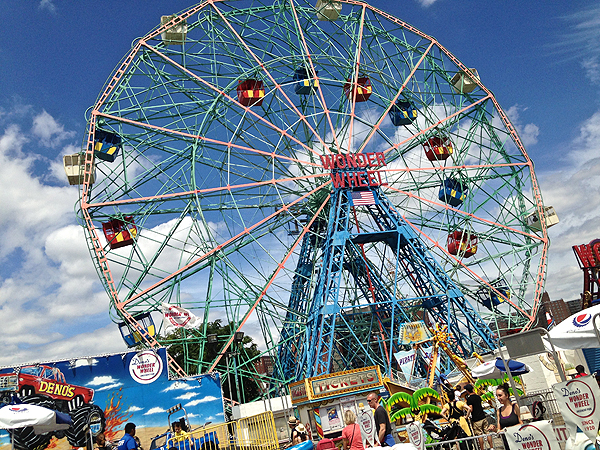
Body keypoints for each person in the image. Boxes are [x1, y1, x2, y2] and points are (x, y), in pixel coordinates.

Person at [490, 384, 522, 450]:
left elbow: (521, 423)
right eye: (497, 396)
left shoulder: (515, 407)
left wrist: (507, 429)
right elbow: (499, 430)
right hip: (507, 443)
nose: (498, 398)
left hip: (518, 441)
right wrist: (494, 429)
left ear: (507, 395)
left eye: (500, 395)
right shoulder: (499, 411)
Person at [464, 384, 493, 450]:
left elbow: (471, 409)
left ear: (467, 391)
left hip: (476, 419)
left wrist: (467, 414)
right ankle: (491, 447)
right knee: (487, 432)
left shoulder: (469, 399)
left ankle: (482, 448)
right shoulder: (478, 397)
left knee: (479, 435)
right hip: (483, 416)